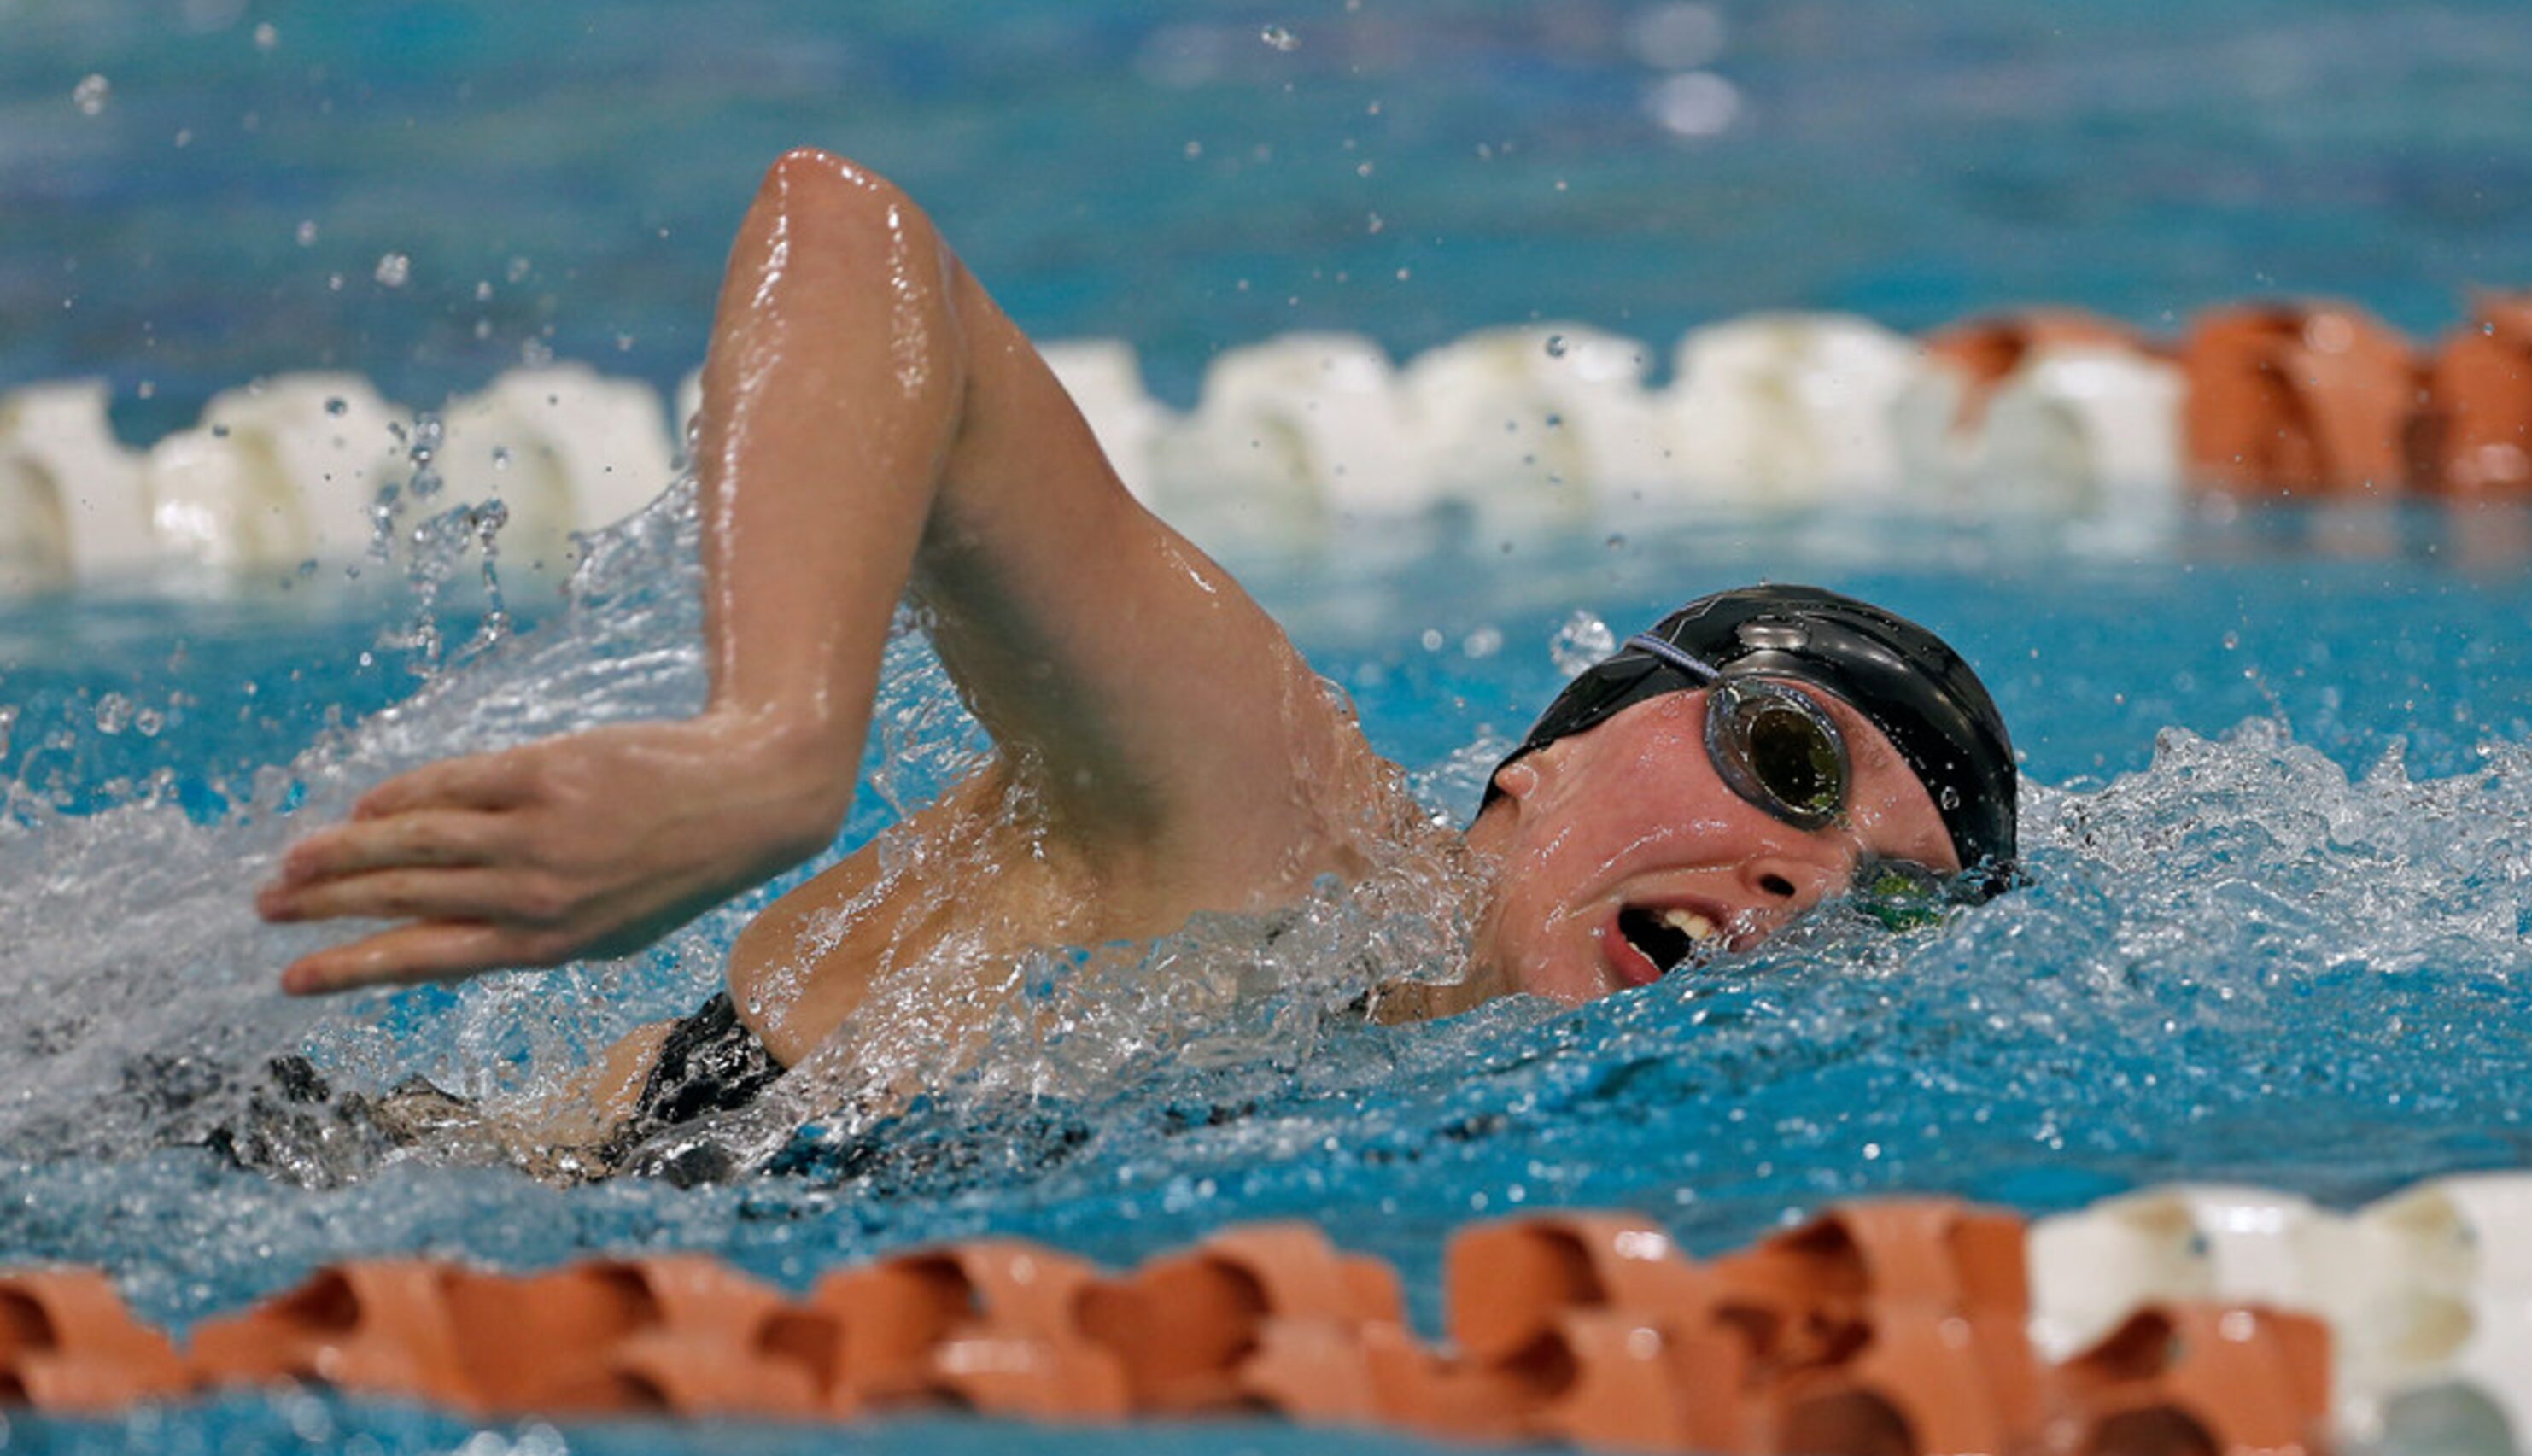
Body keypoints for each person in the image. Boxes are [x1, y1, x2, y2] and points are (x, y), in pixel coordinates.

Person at [252, 149, 2017, 1173]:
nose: (1807, 876)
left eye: (1890, 905)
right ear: (1542, 759)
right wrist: (771, 745)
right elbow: (854, 234)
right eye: (1790, 764)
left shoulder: (1442, 1108)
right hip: (284, 1181)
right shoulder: (1279, 828)